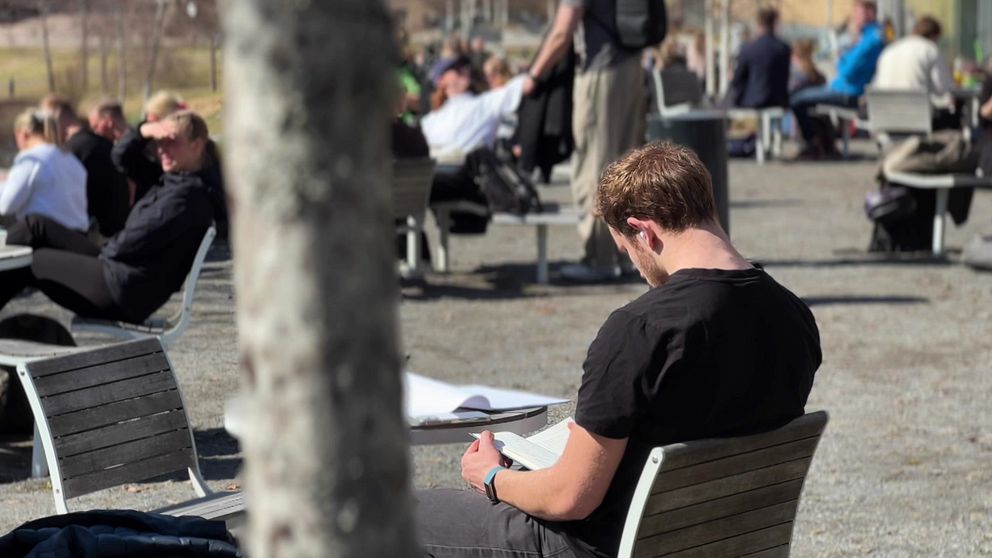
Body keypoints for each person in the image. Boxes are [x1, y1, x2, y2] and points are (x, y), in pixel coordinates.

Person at [416, 142, 822, 558]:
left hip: (606, 546)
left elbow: (570, 499)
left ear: (644, 231)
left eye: (628, 252)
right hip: (725, 540)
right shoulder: (793, 316)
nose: (636, 267)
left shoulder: (641, 330)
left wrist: (490, 477)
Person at [0, 111, 224, 325]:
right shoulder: (178, 178)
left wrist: (100, 256)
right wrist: (144, 130)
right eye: (160, 142)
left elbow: (134, 241)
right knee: (36, 224)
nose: (163, 149)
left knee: (32, 260)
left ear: (197, 145)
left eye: (172, 141)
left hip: (122, 289)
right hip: (122, 272)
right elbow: (120, 157)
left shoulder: (186, 196)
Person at [527, 0, 651, 282]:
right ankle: (629, 253)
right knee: (627, 167)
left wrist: (534, 75)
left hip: (600, 72)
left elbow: (562, 32)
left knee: (594, 165)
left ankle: (599, 257)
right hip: (631, 67)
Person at [789, 0, 884, 158]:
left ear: (870, 13)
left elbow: (846, 70)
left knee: (797, 100)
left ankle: (812, 143)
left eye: (857, 13)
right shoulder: (866, 37)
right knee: (806, 99)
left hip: (849, 92)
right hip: (841, 88)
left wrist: (842, 58)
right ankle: (824, 144)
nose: (854, 17)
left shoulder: (871, 39)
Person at [51, 97, 131, 237]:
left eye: (95, 127)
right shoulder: (126, 143)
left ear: (109, 122)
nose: (95, 133)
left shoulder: (128, 149)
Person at [0, 108, 87, 232]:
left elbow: (5, 206)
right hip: (77, 237)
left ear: (23, 134)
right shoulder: (71, 159)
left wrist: (4, 185)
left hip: (46, 238)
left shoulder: (31, 159)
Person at [871, 15, 956, 126]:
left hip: (884, 119)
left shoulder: (889, 51)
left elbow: (876, 84)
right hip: (917, 121)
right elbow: (943, 88)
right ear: (934, 36)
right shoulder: (930, 49)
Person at [730, 8, 791, 109]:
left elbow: (738, 80)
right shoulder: (784, 49)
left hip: (752, 103)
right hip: (779, 102)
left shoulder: (748, 48)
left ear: (758, 24)